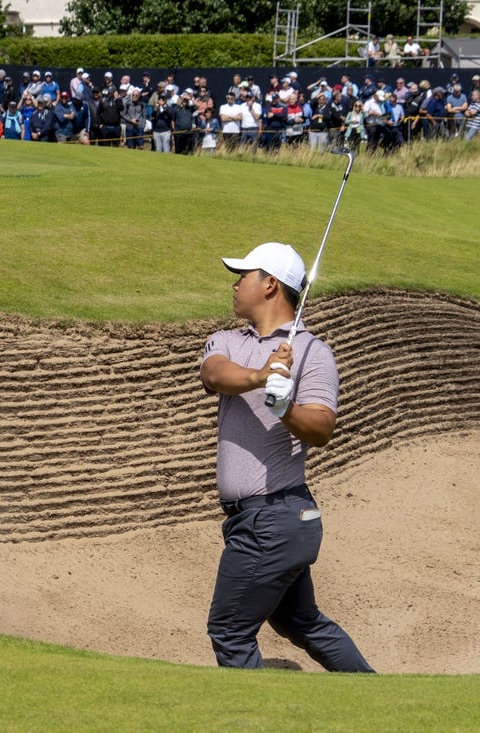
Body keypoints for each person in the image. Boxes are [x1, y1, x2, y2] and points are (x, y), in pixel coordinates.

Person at [201, 241, 374, 674]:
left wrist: (286, 409)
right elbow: (214, 373)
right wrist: (262, 377)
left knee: (229, 630)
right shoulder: (226, 340)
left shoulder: (314, 353)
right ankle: (375, 694)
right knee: (300, 620)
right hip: (256, 521)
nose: (235, 284)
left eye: (243, 276)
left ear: (270, 285)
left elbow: (322, 429)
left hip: (275, 519)